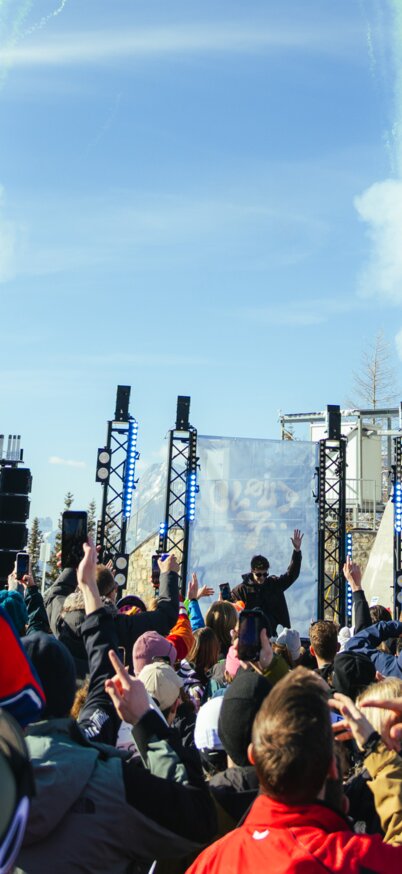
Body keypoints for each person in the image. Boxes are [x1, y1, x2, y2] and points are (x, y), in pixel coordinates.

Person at [16, 542, 216, 874]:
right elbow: (198, 818)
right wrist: (147, 724)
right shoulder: (111, 778)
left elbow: (54, 603)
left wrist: (82, 584)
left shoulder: (56, 615)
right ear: (70, 696)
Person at [187, 667, 402, 873]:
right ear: (332, 768)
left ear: (255, 757)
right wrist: (378, 752)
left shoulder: (210, 861)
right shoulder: (345, 860)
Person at [229, 529, 303, 635]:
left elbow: (291, 575)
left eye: (265, 574)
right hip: (250, 636)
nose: (262, 577)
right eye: (258, 574)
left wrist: (297, 551)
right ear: (252, 571)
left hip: (272, 634)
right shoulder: (241, 590)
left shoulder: (274, 584)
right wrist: (224, 601)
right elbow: (231, 608)